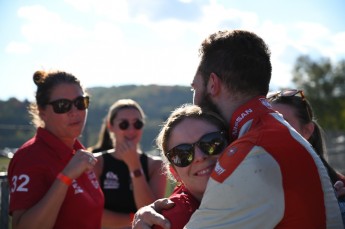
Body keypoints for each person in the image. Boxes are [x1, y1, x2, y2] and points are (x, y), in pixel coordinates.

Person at [132, 30, 343, 228]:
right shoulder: (273, 131)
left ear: (213, 84)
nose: (195, 99)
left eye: (194, 88)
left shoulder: (251, 153)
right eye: (182, 154)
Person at [7, 70, 104, 229]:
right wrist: (65, 178)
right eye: (62, 105)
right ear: (42, 112)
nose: (74, 112)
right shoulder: (30, 157)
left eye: (81, 102)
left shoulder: (79, 153)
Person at [268, 88, 345, 224]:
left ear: (307, 131)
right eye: (266, 121)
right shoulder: (249, 175)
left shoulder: (339, 188)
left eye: (281, 123)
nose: (269, 130)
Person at [93, 99, 167, 228]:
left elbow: (153, 214)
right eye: (124, 124)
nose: (131, 130)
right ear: (111, 126)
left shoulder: (155, 165)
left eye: (137, 124)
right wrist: (136, 218)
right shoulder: (96, 163)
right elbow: (93, 215)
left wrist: (135, 167)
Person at [152, 104, 228, 229]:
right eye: (182, 154)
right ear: (174, 172)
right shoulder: (169, 222)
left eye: (211, 142)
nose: (199, 157)